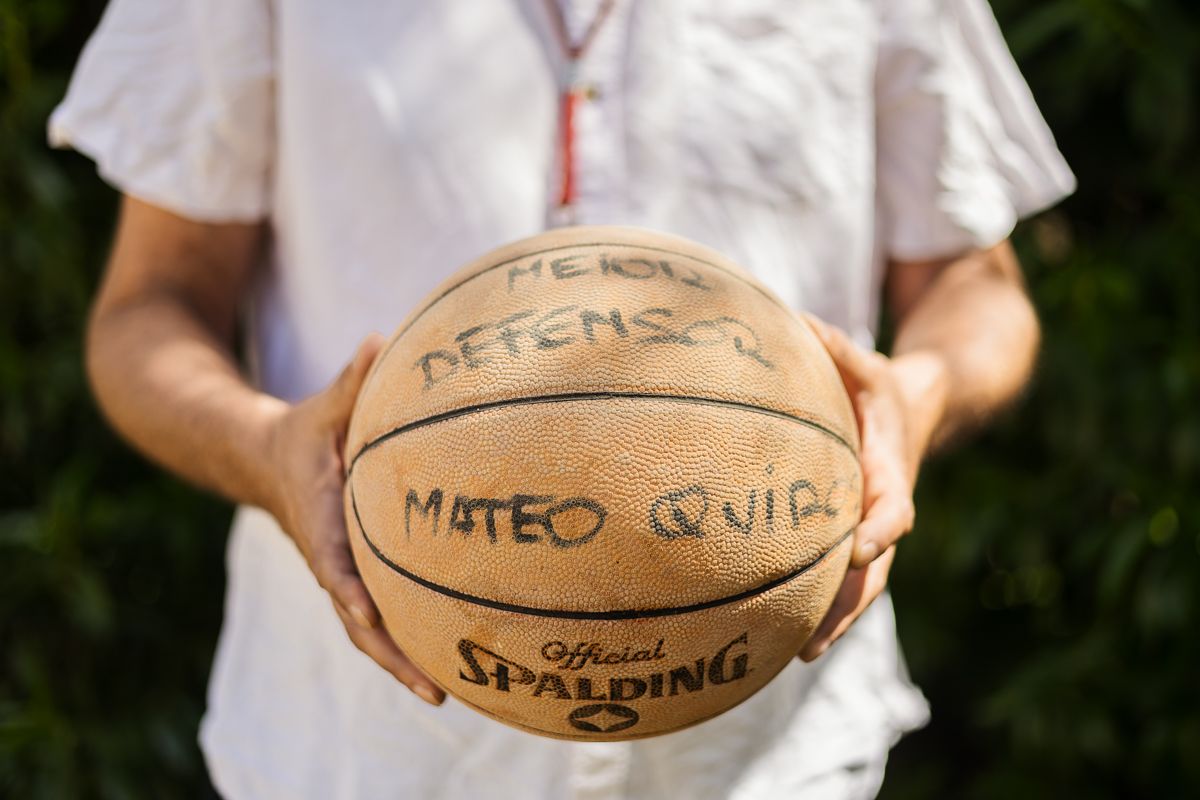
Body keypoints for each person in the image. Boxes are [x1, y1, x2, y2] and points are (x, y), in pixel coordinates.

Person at [51, 0, 1073, 796]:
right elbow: (151, 305)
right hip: (362, 754)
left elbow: (970, 284)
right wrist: (268, 447)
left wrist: (918, 394)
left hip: (770, 753)